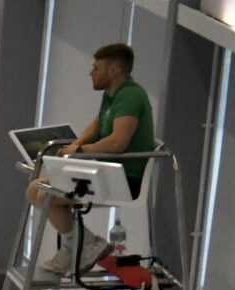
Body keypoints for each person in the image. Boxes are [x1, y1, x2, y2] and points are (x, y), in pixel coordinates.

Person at [29, 43, 155, 276]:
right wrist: (76, 144)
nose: (91, 73)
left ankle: (78, 246)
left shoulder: (131, 96)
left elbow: (118, 142)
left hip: (126, 180)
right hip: (107, 172)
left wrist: (82, 151)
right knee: (34, 188)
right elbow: (97, 125)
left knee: (47, 194)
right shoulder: (113, 96)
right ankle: (81, 243)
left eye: (96, 68)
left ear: (113, 70)